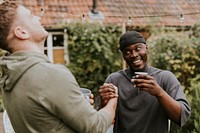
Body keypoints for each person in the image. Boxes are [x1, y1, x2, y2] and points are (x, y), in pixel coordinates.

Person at [0, 1, 118, 133]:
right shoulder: (51, 75)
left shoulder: (9, 79)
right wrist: (112, 102)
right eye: (30, 16)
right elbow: (96, 127)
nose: (38, 17)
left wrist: (79, 106)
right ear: (21, 32)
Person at [99, 30, 191, 133]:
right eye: (127, 52)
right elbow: (100, 122)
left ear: (146, 49)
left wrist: (159, 93)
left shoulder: (165, 77)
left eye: (138, 48)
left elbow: (181, 117)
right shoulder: (114, 80)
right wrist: (103, 102)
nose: (134, 55)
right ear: (123, 57)